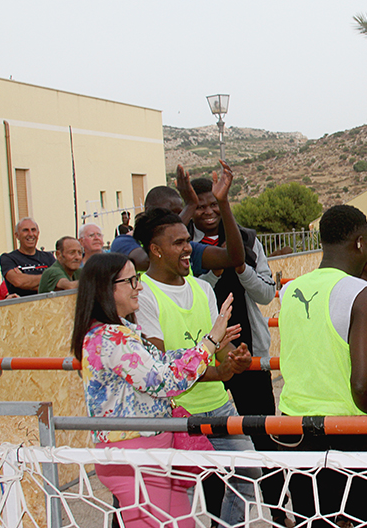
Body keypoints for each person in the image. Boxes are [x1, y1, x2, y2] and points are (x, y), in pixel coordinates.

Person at [71, 252, 239, 528]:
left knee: (182, 523)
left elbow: (162, 360)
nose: (139, 286)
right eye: (131, 281)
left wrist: (209, 344)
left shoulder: (120, 332)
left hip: (148, 449)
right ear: (107, 288)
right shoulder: (111, 338)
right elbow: (164, 381)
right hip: (134, 454)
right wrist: (210, 342)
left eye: (137, 279)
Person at [278, 205, 367, 528]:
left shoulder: (290, 290)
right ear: (360, 243)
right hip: (348, 429)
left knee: (316, 521)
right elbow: (362, 383)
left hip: (294, 428)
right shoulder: (363, 292)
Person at [133, 206, 260, 528]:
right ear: (155, 249)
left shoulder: (202, 289)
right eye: (178, 242)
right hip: (176, 413)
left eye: (187, 240)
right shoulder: (144, 295)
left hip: (218, 405)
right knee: (183, 495)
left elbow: (218, 348)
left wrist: (235, 358)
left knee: (248, 472)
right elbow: (161, 366)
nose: (188, 248)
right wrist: (220, 371)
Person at [189, 176, 284, 525]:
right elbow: (187, 292)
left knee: (263, 436)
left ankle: (279, 512)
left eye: (214, 204)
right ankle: (220, 517)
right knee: (214, 447)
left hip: (249, 355)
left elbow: (265, 294)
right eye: (201, 205)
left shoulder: (247, 239)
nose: (209, 211)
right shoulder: (183, 244)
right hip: (206, 360)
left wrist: (240, 265)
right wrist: (215, 272)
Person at [111, 162, 245, 276]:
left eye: (181, 213)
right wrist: (191, 205)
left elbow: (234, 258)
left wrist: (223, 203)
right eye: (169, 214)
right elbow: (149, 260)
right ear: (149, 211)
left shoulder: (186, 248)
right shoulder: (124, 242)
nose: (176, 220)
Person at [0, 218, 56, 297]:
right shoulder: (8, 258)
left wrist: (26, 282)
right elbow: (18, 281)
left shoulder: (48, 257)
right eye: (25, 230)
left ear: (38, 233)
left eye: (33, 230)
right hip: (23, 304)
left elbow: (60, 281)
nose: (30, 234)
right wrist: (50, 278)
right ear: (17, 235)